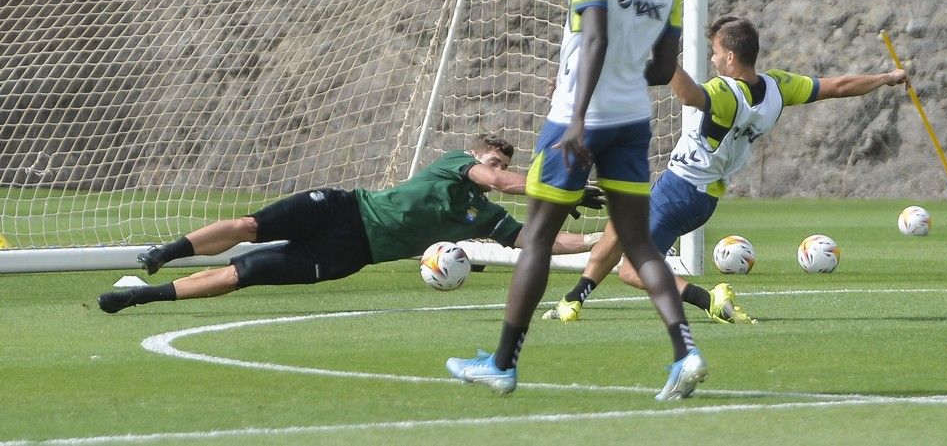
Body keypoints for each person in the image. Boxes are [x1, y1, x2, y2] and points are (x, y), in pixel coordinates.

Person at [446, 0, 706, 401]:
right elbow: (660, 68)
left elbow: (596, 37)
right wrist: (610, 76)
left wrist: (579, 114)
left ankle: (502, 363)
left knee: (537, 237)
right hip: (633, 120)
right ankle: (686, 353)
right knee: (638, 241)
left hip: (576, 120)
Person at [542, 15, 910, 324]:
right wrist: (885, 78)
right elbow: (840, 85)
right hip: (704, 195)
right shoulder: (778, 86)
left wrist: (662, 51)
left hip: (680, 190)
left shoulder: (724, 92)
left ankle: (710, 300)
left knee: (632, 270)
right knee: (618, 228)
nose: (714, 60)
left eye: (716, 53)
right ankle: (573, 301)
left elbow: (687, 95)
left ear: (731, 56)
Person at [96, 133, 603, 314]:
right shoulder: (456, 164)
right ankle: (165, 251)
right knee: (250, 224)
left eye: (499, 161)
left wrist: (598, 239)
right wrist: (562, 189)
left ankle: (140, 296)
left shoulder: (483, 215)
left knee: (241, 274)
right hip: (342, 207)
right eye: (492, 159)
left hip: (348, 254)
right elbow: (508, 185)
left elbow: (534, 239)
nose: (495, 167)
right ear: (477, 156)